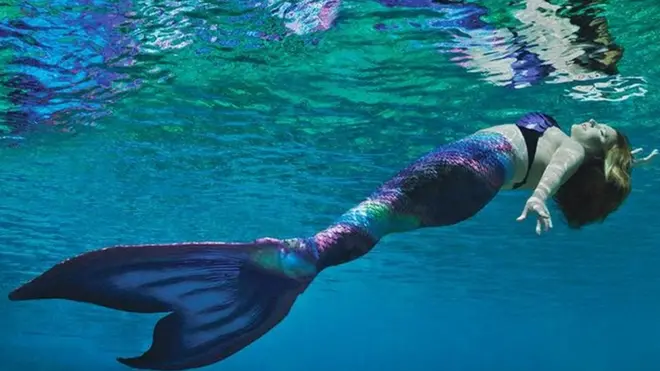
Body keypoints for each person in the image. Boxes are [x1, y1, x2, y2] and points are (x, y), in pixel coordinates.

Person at [8, 112, 657, 370]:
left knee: (354, 227)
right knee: (365, 227)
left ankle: (284, 261)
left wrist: (545, 196)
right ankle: (288, 265)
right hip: (474, 188)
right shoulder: (594, 152)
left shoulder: (578, 144)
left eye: (605, 132)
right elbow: (594, 162)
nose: (598, 122)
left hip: (475, 170)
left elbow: (573, 155)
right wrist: (634, 160)